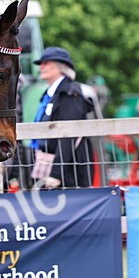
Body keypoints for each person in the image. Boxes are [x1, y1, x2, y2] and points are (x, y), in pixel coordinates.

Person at [31, 46, 95, 188]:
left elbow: (68, 135)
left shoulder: (69, 94)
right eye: (41, 63)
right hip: (52, 166)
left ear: (62, 67)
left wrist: (56, 174)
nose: (42, 66)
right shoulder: (51, 93)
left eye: (47, 63)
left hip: (68, 174)